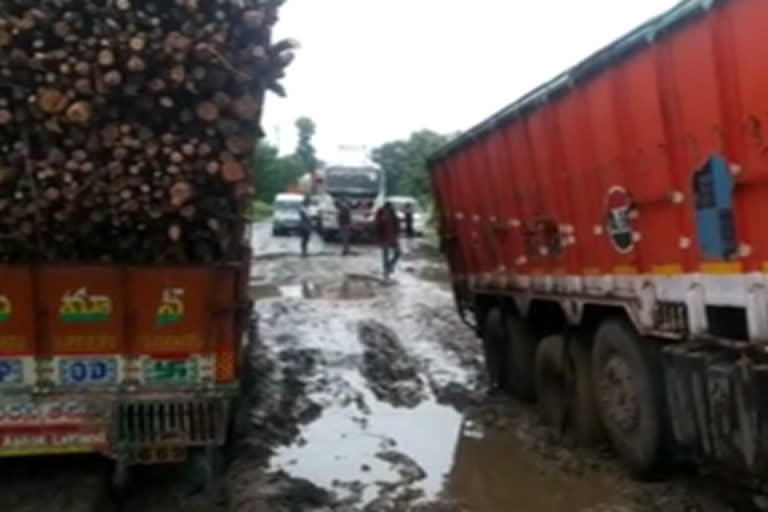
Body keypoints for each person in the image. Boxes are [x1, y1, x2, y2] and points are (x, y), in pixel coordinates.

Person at [375, 201, 400, 280]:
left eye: (390, 209)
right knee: (385, 255)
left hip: (393, 237)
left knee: (398, 253)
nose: (388, 210)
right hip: (384, 238)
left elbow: (397, 225)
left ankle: (390, 265)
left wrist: (397, 235)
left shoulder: (393, 215)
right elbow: (377, 227)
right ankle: (386, 272)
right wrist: (378, 239)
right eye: (388, 209)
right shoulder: (380, 215)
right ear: (385, 208)